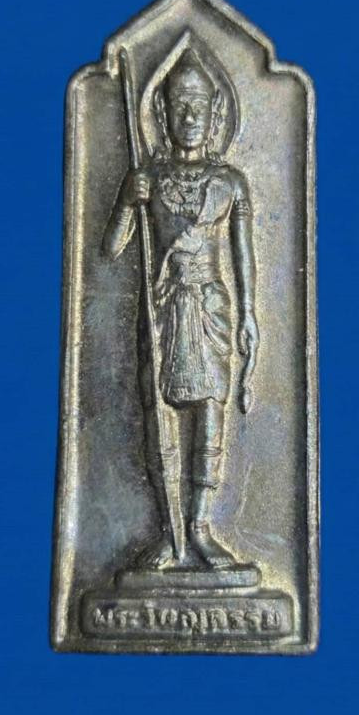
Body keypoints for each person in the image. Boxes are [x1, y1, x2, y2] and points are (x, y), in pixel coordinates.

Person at [104, 49, 259, 569]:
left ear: (215, 115)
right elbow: (111, 249)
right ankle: (168, 534)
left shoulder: (230, 182)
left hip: (210, 306)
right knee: (159, 410)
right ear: (163, 114)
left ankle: (200, 526)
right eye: (179, 105)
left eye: (198, 105)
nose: (189, 116)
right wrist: (127, 201)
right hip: (163, 308)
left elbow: (243, 256)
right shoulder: (148, 177)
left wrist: (250, 313)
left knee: (210, 407)